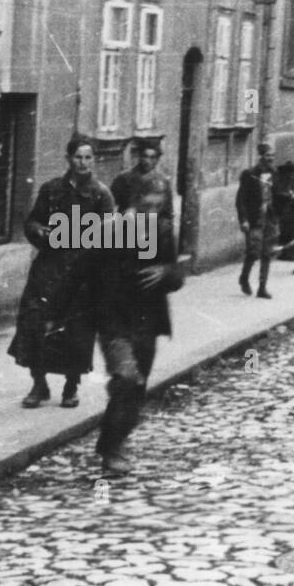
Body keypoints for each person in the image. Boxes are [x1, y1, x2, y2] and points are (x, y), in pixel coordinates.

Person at [54, 186, 183, 476]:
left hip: (147, 323)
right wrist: (54, 315)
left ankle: (114, 440)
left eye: (158, 207)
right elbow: (78, 271)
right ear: (133, 204)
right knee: (126, 378)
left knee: (135, 387)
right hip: (113, 322)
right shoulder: (109, 231)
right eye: (146, 206)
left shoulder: (162, 233)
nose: (151, 212)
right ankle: (111, 451)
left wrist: (166, 272)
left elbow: (177, 276)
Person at [9, 136, 114, 408]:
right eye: (78, 157)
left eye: (88, 157)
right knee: (34, 323)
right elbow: (32, 221)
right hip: (48, 269)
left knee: (76, 331)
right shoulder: (51, 190)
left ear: (94, 160)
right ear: (68, 159)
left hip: (81, 274)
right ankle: (39, 384)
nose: (83, 163)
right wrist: (40, 231)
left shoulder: (101, 195)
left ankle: (71, 386)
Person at [236, 142, 279, 298]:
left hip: (270, 219)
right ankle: (244, 278)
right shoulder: (249, 174)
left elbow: (278, 194)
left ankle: (262, 287)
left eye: (272, 155)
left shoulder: (275, 173)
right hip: (255, 219)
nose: (271, 158)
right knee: (253, 252)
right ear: (261, 157)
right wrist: (243, 220)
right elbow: (241, 199)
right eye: (268, 155)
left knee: (267, 253)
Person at [111, 140, 174, 219]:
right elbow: (111, 205)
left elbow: (167, 213)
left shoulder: (163, 182)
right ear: (140, 156)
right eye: (145, 156)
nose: (147, 161)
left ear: (157, 159)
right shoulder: (124, 178)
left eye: (152, 157)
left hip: (152, 225)